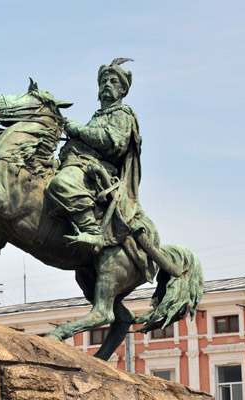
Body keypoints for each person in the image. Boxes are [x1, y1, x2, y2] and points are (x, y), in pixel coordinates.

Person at [46, 59, 159, 272]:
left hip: (98, 171)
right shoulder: (98, 117)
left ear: (123, 89)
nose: (107, 84)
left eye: (113, 81)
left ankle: (93, 231)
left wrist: (78, 130)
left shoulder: (123, 114)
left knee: (62, 183)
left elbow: (114, 142)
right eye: (103, 81)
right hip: (76, 162)